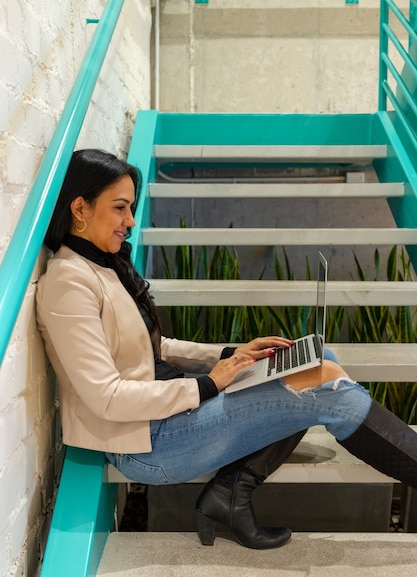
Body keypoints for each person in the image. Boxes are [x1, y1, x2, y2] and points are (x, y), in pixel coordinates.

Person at [36, 149, 417, 550]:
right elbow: (107, 397)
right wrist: (208, 385)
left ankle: (231, 492)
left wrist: (231, 354)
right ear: (79, 208)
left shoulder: (102, 265)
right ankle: (232, 492)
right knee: (329, 391)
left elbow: (153, 346)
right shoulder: (68, 283)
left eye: (131, 208)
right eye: (120, 208)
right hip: (148, 441)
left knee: (319, 360)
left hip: (171, 410)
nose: (130, 221)